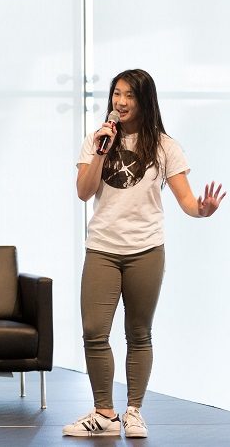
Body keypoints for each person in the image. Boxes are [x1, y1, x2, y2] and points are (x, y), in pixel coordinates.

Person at [64, 69, 224, 438]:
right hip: (102, 247)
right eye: (117, 94)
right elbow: (84, 192)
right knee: (93, 331)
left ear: (144, 100)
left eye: (129, 96)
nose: (120, 102)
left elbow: (187, 201)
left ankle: (134, 410)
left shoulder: (165, 146)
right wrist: (102, 151)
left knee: (138, 333)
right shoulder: (96, 140)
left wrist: (203, 209)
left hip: (146, 250)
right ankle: (104, 413)